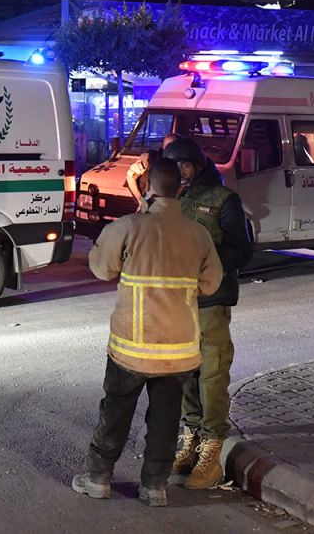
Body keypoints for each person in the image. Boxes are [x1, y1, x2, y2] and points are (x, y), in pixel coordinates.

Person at [72, 157, 221, 508]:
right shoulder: (198, 234)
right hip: (178, 352)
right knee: (166, 422)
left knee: (116, 414)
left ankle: (98, 479)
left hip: (131, 348)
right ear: (179, 189)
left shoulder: (128, 227)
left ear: (149, 188)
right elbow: (212, 284)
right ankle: (155, 487)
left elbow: (100, 268)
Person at [161, 135, 255, 490]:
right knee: (186, 373)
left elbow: (241, 250)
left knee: (212, 375)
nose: (181, 173)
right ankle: (192, 438)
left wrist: (205, 266)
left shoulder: (223, 199)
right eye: (175, 167)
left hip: (211, 300)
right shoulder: (171, 198)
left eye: (185, 166)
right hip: (178, 303)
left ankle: (212, 452)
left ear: (197, 164)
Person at [125, 132, 181, 203]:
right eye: (167, 146)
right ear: (163, 147)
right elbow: (130, 176)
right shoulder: (149, 160)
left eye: (173, 146)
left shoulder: (183, 166)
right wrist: (140, 201)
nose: (169, 150)